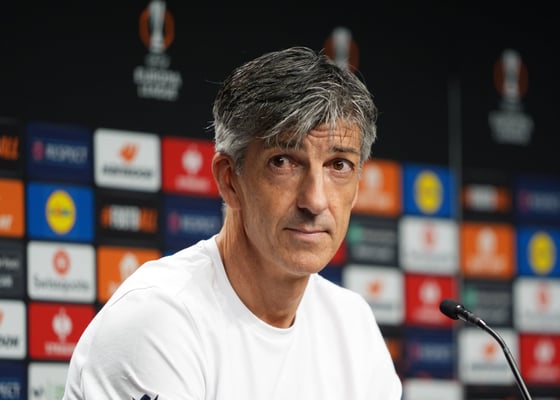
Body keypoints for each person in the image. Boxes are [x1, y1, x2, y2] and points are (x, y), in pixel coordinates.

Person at [63, 46, 402, 400]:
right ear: (229, 180)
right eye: (283, 161)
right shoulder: (158, 318)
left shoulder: (353, 326)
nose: (315, 201)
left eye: (339, 165)